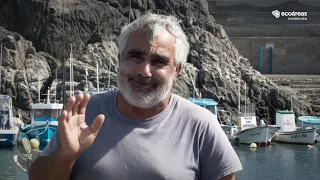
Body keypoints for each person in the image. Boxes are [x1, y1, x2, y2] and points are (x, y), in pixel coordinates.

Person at [29, 13, 242, 180]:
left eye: (159, 61)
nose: (145, 71)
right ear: (119, 59)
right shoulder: (85, 113)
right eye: (135, 56)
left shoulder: (201, 124)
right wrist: (65, 156)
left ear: (176, 70)